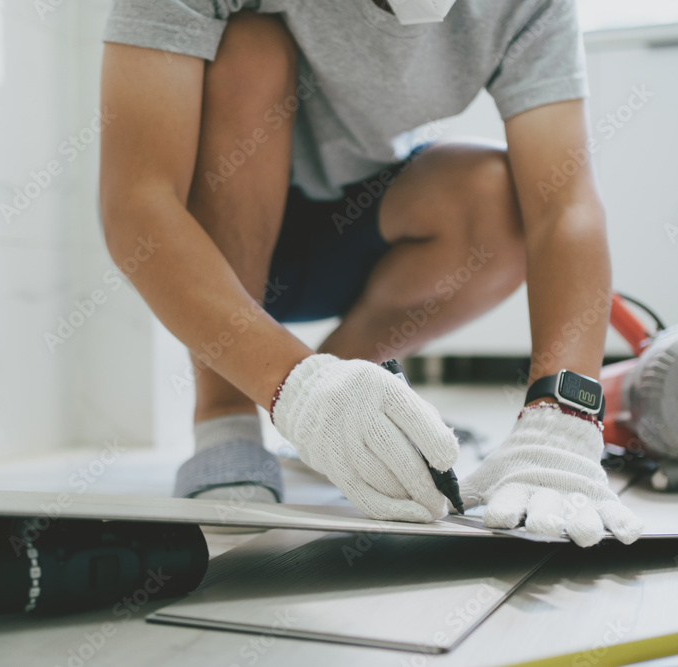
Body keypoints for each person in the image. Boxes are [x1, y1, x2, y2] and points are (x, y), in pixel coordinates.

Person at [99, 0, 643, 547]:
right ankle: (227, 414)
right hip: (210, 243)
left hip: (356, 232)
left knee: (498, 199)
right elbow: (140, 202)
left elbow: (563, 207)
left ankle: (350, 394)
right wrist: (293, 384)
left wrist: (562, 417)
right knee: (249, 49)